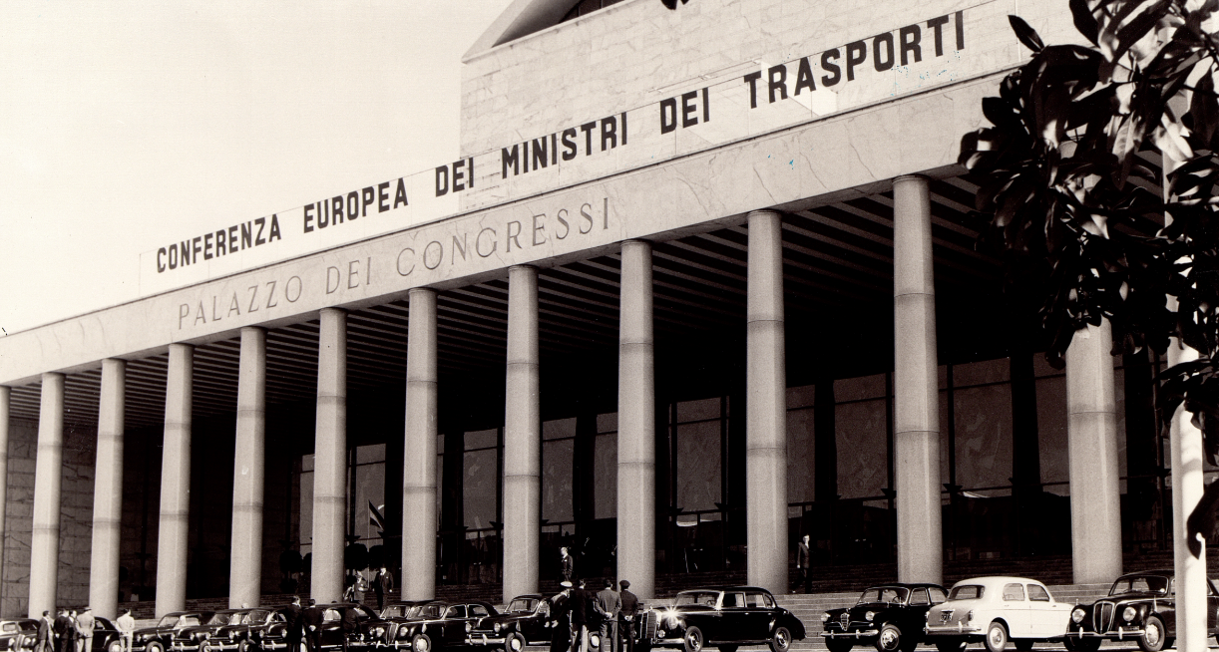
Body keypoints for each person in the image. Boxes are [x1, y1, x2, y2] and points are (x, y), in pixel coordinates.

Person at [595, 579, 621, 652]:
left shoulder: (599, 594)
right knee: (614, 637)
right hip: (613, 618)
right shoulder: (616, 594)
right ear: (611, 585)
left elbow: (597, 606)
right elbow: (619, 605)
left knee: (602, 636)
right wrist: (612, 613)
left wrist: (604, 613)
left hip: (603, 618)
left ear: (603, 585)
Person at [569, 580, 593, 652]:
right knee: (584, 636)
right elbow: (590, 606)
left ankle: (573, 650)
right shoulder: (587, 593)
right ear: (584, 584)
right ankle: (583, 650)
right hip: (585, 617)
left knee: (574, 635)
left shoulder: (573, 593)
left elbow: (570, 606)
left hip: (575, 617)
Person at [549, 582, 572, 652]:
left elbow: (550, 610)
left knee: (554, 640)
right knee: (563, 642)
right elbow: (566, 612)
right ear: (567, 590)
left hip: (553, 621)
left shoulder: (553, 598)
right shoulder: (567, 600)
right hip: (563, 622)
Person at [618, 581, 638, 652]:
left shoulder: (619, 596)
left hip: (621, 619)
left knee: (620, 636)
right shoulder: (633, 596)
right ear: (628, 587)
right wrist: (631, 616)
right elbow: (636, 609)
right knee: (631, 636)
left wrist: (624, 616)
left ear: (621, 587)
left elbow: (618, 608)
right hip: (631, 619)